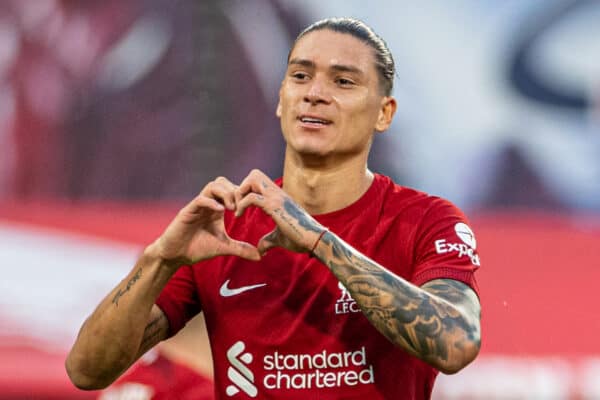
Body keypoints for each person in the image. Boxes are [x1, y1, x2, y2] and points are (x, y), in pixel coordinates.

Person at [66, 17, 481, 399]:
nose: (315, 94)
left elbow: (457, 343)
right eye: (300, 77)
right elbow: (86, 371)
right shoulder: (225, 228)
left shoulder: (426, 221)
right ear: (281, 99)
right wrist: (159, 259)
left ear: (384, 113)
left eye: (343, 82)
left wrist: (319, 241)